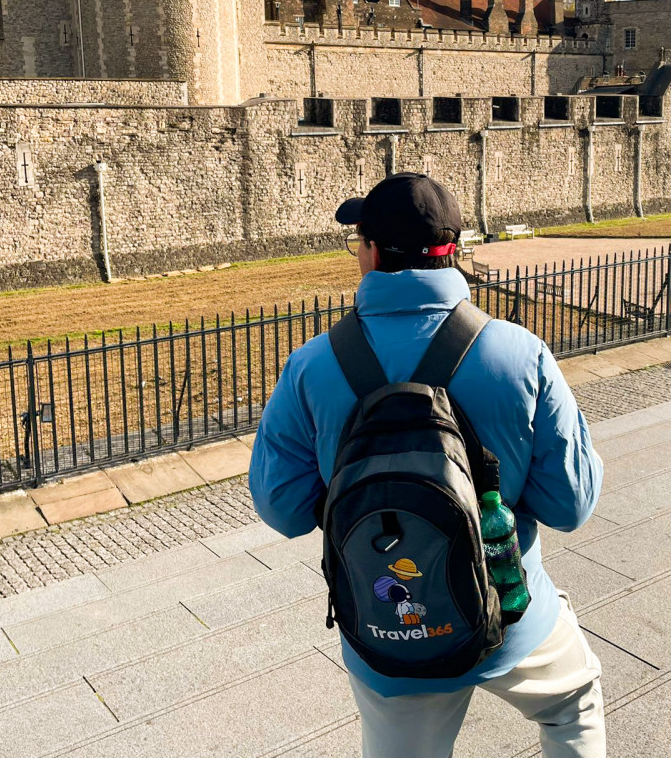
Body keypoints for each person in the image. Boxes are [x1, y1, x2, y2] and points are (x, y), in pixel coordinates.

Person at [249, 172, 606, 758]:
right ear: (454, 251)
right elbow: (571, 505)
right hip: (511, 612)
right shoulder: (519, 353)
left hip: (387, 628)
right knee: (574, 706)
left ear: (370, 251)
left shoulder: (312, 366)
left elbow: (283, 508)